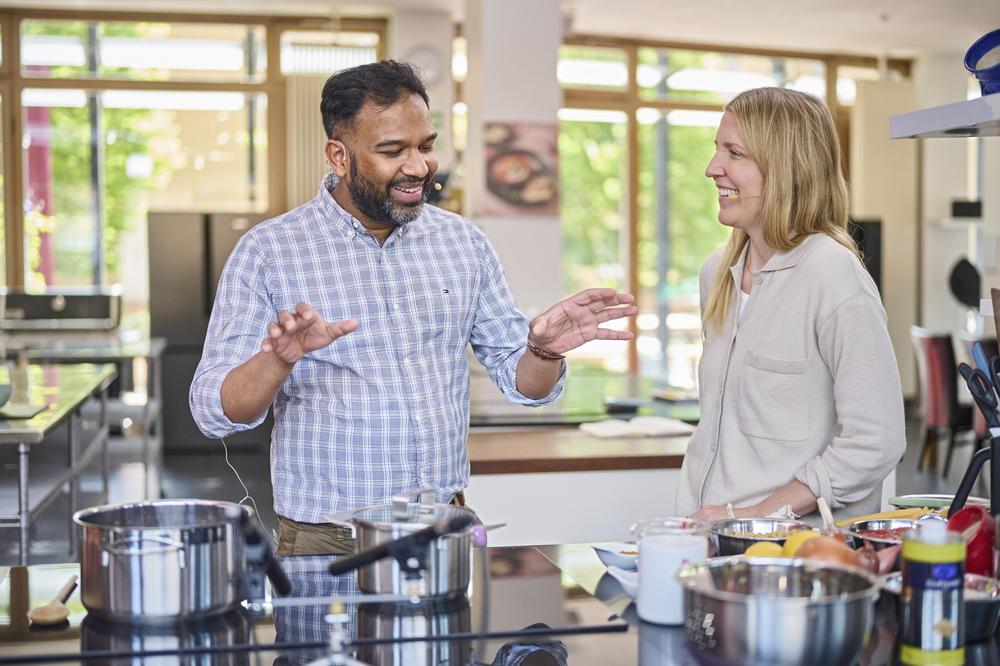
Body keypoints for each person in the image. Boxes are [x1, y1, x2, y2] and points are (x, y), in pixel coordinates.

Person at [189, 60, 636, 555]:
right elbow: (214, 411)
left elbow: (526, 387)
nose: (418, 167)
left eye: (425, 146)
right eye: (392, 151)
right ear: (339, 156)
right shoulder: (269, 251)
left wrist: (544, 351)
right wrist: (278, 359)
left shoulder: (462, 242)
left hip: (444, 532)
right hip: (329, 543)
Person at [678, 87, 905, 523]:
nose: (712, 169)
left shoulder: (832, 276)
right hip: (709, 543)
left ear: (785, 168)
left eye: (735, 153)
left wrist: (755, 515)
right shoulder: (717, 275)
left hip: (794, 560)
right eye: (716, 151)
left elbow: (876, 441)